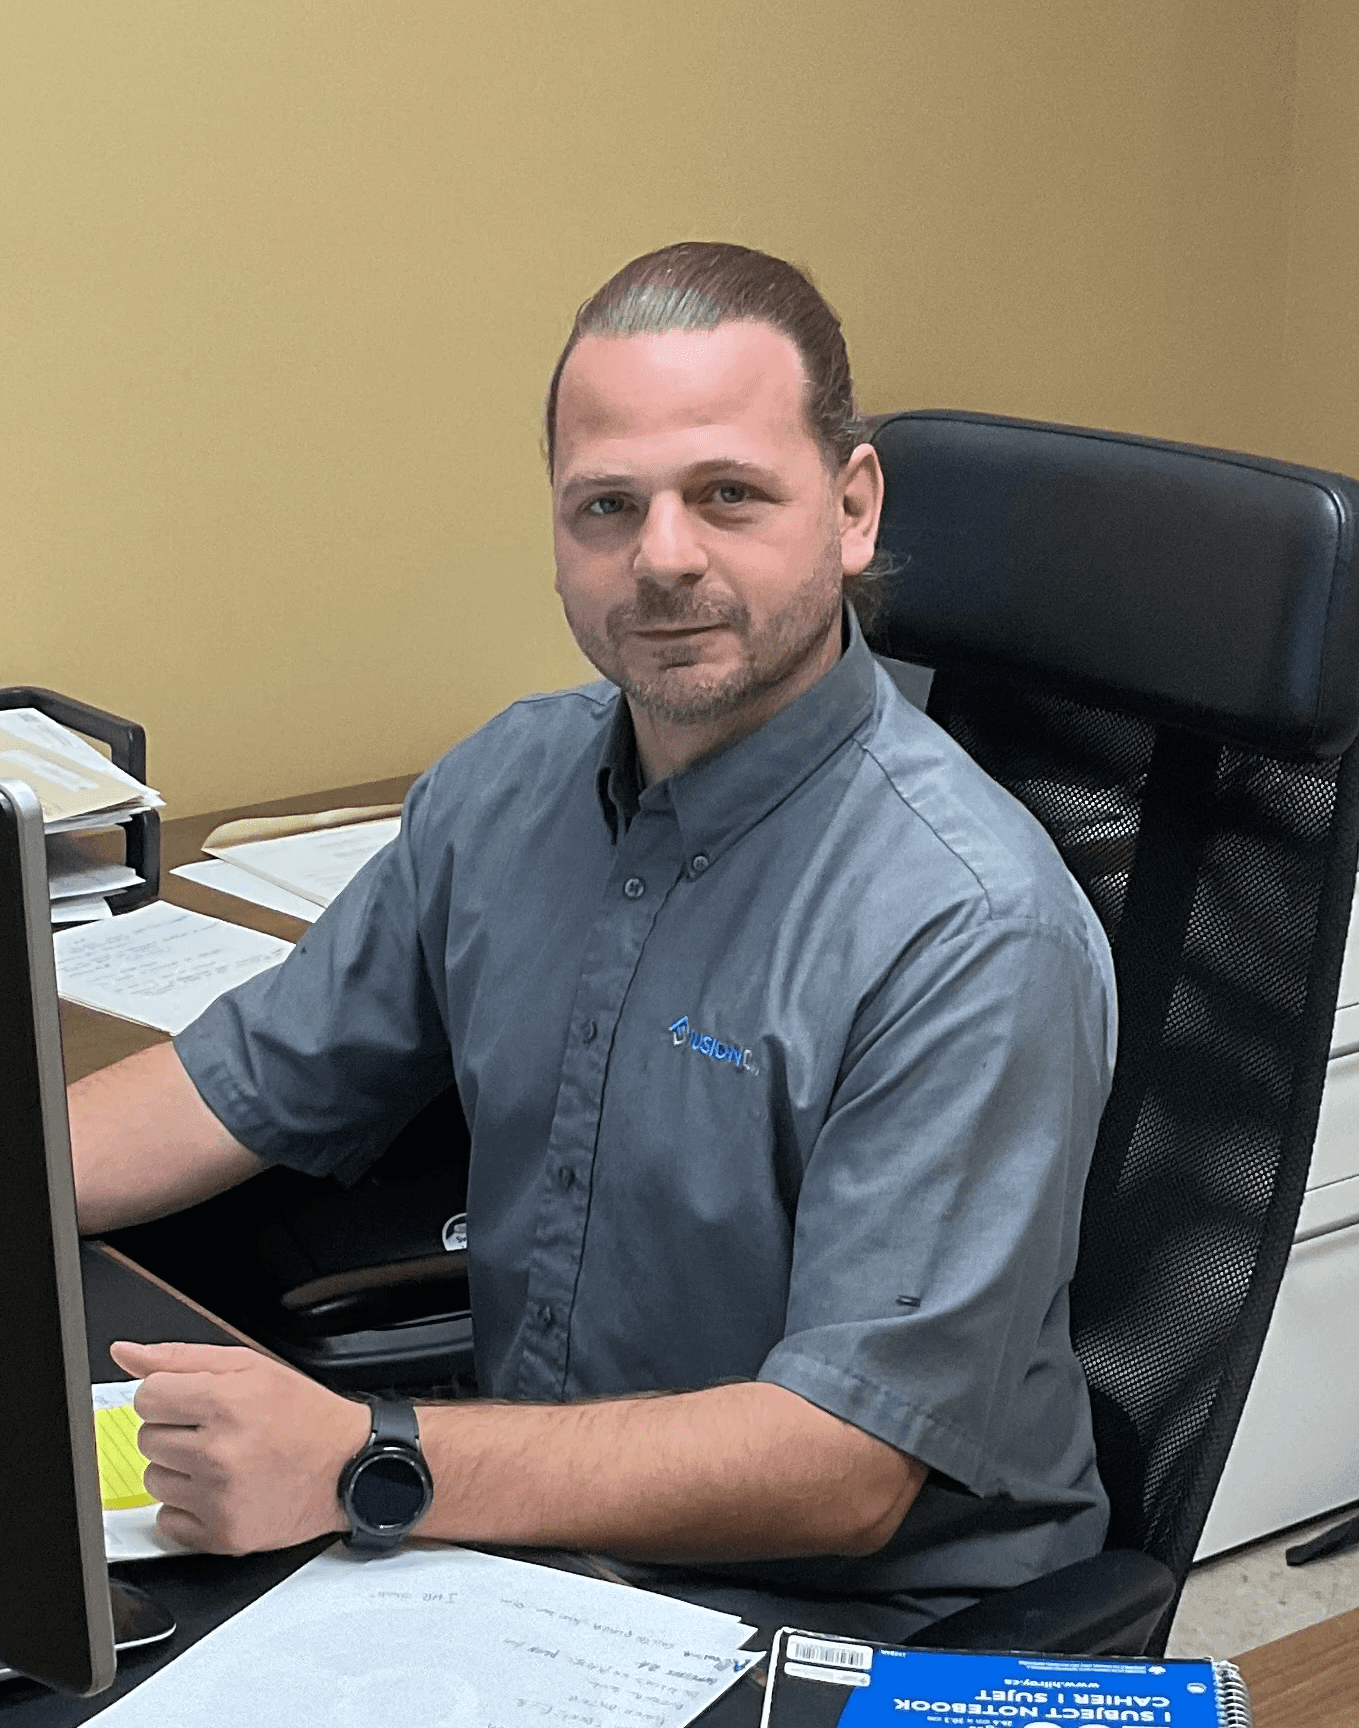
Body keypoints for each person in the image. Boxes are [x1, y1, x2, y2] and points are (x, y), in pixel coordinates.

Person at [70, 241, 1117, 1639]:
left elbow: (844, 1469)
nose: (663, 555)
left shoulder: (969, 928)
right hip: (529, 1533)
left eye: (728, 495)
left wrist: (360, 1457)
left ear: (852, 508)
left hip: (843, 1620)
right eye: (606, 507)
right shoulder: (507, 785)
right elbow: (245, 1079)